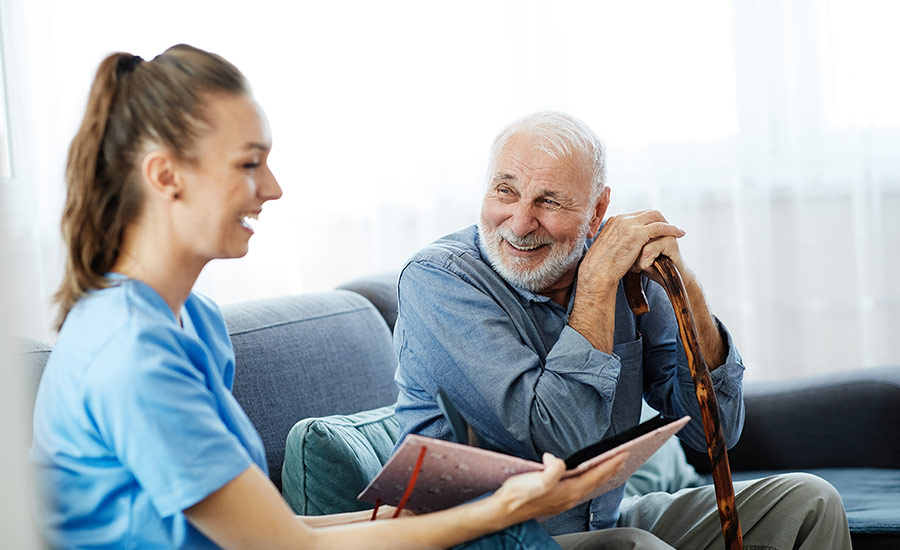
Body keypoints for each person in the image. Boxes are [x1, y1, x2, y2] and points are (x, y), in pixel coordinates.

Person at [29, 46, 630, 550]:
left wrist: (392, 521)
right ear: (166, 176)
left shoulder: (194, 323)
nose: (272, 187)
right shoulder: (132, 354)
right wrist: (510, 506)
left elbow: (269, 530)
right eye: (250, 163)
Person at [392, 111, 852, 549]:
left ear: (597, 211)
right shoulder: (439, 281)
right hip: (491, 538)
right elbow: (557, 438)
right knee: (630, 546)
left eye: (548, 200)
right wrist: (595, 284)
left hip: (602, 522)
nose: (520, 221)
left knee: (808, 501)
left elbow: (717, 433)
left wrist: (683, 283)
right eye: (505, 191)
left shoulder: (621, 272)